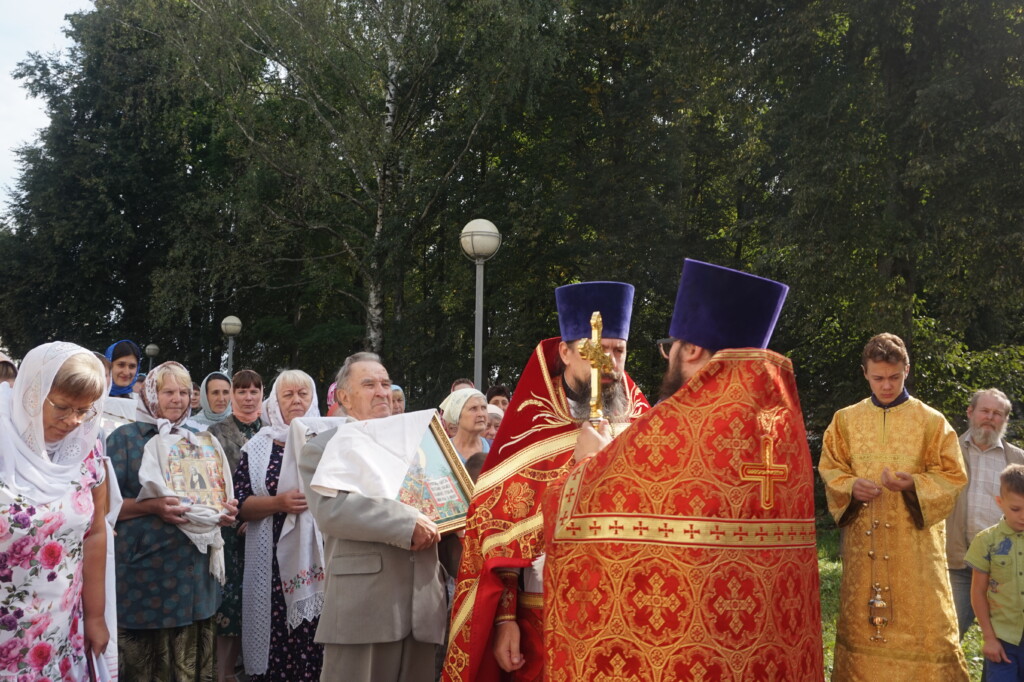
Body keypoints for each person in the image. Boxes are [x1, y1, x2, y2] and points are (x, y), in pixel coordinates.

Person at [542, 261, 823, 680]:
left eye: (668, 346)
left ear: (690, 350)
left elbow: (572, 528)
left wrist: (587, 466)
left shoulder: (674, 430)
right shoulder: (783, 428)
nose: (666, 356)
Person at [444, 281, 650, 682]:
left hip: (629, 611)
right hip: (544, 613)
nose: (607, 363)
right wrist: (505, 619)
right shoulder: (532, 424)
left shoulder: (641, 421)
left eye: (617, 350)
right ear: (565, 352)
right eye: (594, 350)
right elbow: (493, 530)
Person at [819, 332, 968, 679]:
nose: (886, 385)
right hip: (863, 546)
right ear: (865, 373)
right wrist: (852, 486)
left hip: (914, 553)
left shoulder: (932, 421)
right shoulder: (845, 420)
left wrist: (913, 485)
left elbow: (953, 476)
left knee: (926, 627)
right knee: (862, 627)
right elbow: (830, 467)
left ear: (907, 370)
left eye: (894, 377)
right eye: (878, 378)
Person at [299, 352, 446, 682]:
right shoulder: (322, 447)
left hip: (423, 604)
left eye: (385, 383)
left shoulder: (421, 445)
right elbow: (332, 511)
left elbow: (444, 511)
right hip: (364, 607)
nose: (382, 391)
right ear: (344, 397)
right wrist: (406, 524)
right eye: (369, 384)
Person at [109, 361, 239, 680]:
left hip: (196, 581)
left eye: (184, 392)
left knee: (191, 664)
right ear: (151, 394)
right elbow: (103, 507)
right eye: (168, 391)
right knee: (146, 667)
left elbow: (215, 493)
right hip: (146, 581)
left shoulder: (201, 440)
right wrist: (151, 507)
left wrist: (223, 510)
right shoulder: (125, 439)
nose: (177, 399)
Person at [0, 342, 110, 680]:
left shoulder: (84, 452)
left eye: (85, 410)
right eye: (62, 407)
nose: (73, 421)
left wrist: (94, 616)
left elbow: (95, 533)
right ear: (33, 392)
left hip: (59, 628)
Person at [235, 370, 324, 681]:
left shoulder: (329, 439)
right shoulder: (257, 447)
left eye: (303, 394)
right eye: (288, 395)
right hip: (270, 559)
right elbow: (241, 505)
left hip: (321, 561)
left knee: (317, 638)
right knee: (275, 638)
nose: (296, 400)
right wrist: (279, 504)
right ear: (275, 401)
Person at [946, 388, 1024, 639]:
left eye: (997, 413)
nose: (990, 417)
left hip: (1006, 569)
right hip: (957, 563)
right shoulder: (946, 452)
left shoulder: (1018, 460)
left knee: (1008, 642)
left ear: (1005, 420)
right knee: (948, 637)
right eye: (985, 411)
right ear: (970, 413)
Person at [208, 368, 264, 682]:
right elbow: (212, 481)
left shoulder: (272, 431)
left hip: (265, 528)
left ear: (261, 394)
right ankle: (224, 673)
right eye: (241, 391)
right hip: (228, 528)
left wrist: (257, 516)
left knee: (260, 599)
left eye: (253, 391)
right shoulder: (217, 432)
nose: (247, 396)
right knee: (228, 603)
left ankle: (256, 668)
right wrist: (240, 515)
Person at [968, 463, 1024, 680]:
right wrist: (989, 638)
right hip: (1003, 641)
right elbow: (978, 592)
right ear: (1000, 503)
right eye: (1015, 509)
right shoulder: (986, 541)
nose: (1022, 516)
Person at [440, 387, 490, 461]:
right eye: (473, 408)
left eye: (483, 408)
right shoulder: (442, 451)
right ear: (458, 415)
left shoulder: (493, 448)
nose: (481, 414)